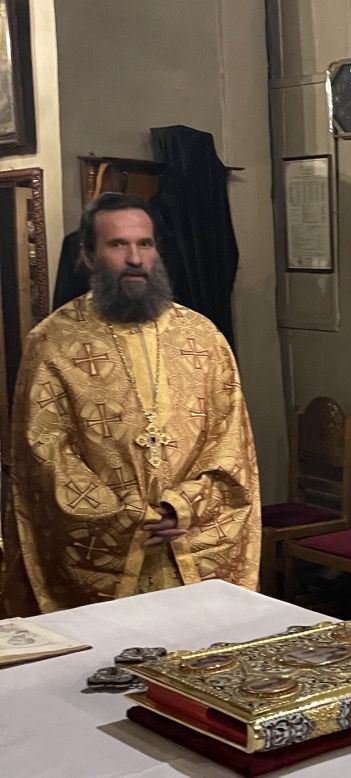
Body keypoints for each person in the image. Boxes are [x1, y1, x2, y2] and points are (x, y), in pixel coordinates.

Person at [1, 192, 260, 615]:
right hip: (104, 554)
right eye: (117, 245)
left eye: (145, 244)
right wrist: (125, 518)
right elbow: (44, 453)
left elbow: (231, 444)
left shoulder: (202, 337)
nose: (135, 258)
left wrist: (183, 506)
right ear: (88, 256)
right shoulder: (52, 342)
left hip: (188, 549)